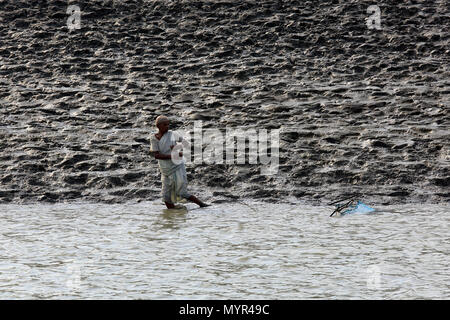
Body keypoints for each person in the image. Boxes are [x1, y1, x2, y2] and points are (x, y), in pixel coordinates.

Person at [150, 115, 209, 209]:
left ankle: (202, 204)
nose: (167, 126)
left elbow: (186, 144)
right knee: (166, 196)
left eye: (168, 124)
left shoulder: (173, 134)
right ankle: (172, 212)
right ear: (158, 126)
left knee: (182, 192)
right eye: (165, 125)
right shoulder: (154, 138)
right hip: (165, 169)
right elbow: (156, 155)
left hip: (177, 167)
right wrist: (172, 155)